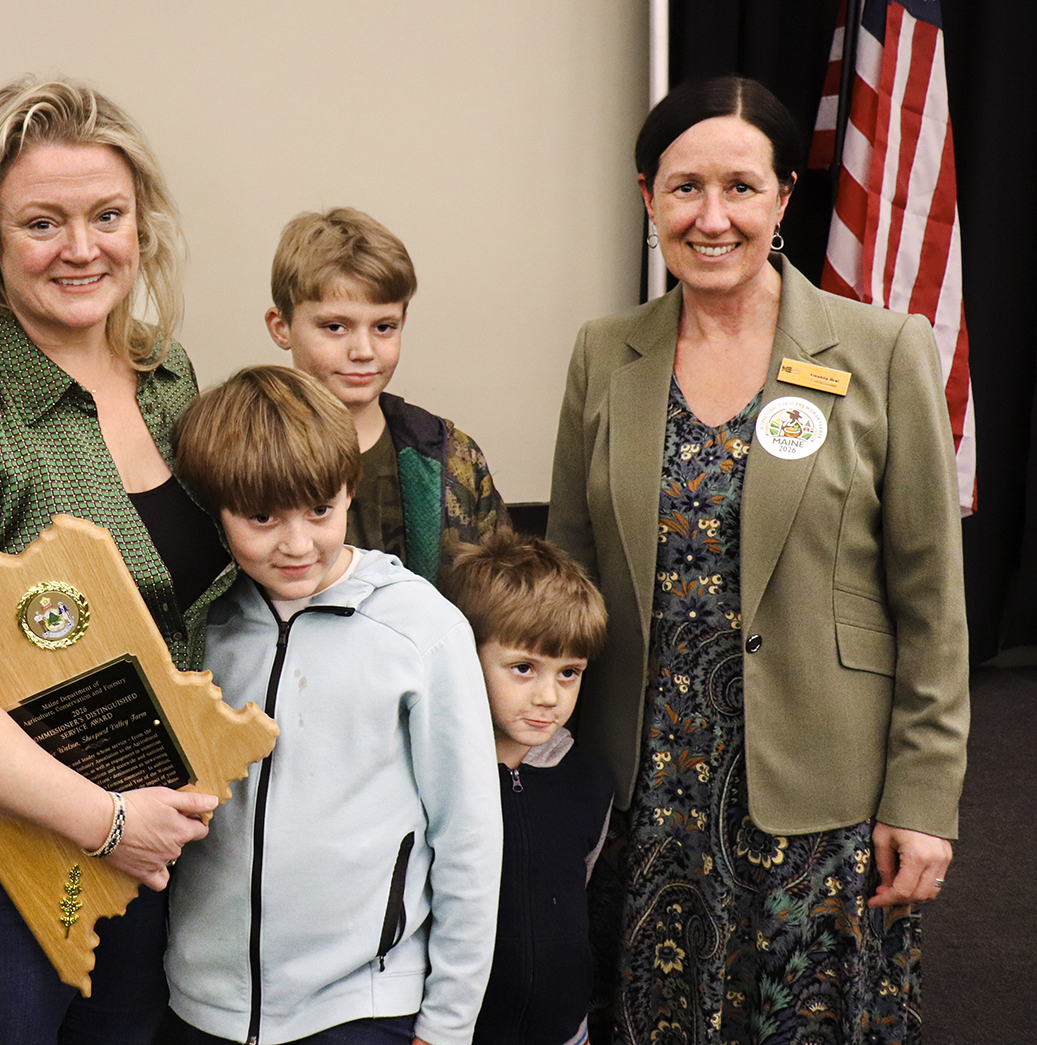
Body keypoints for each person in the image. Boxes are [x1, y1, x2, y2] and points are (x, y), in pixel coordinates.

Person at [547, 75, 969, 1043]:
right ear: (646, 195)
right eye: (685, 187)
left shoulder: (882, 350)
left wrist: (924, 798)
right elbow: (567, 572)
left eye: (740, 187)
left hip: (828, 797)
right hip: (647, 789)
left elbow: (932, 607)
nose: (712, 217)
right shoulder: (603, 353)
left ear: (783, 198)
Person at [0, 77, 230, 1043]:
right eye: (43, 222)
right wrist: (106, 819)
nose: (82, 249)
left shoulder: (172, 379)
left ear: (142, 225)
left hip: (149, 850)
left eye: (106, 215)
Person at [162, 365, 501, 1045]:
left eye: (320, 510)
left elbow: (468, 837)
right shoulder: (198, 628)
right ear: (216, 510)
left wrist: (450, 1021)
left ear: (348, 489)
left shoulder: (420, 630)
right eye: (261, 518)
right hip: (200, 1007)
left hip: (364, 1009)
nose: (296, 543)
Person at [265, 207, 507, 582]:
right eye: (334, 327)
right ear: (282, 327)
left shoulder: (452, 457)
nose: (363, 350)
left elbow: (504, 606)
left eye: (383, 327)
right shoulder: (241, 452)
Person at [440, 536, 614, 1045]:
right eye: (523, 668)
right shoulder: (437, 776)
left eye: (569, 673)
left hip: (564, 1033)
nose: (548, 697)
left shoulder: (589, 783)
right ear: (467, 656)